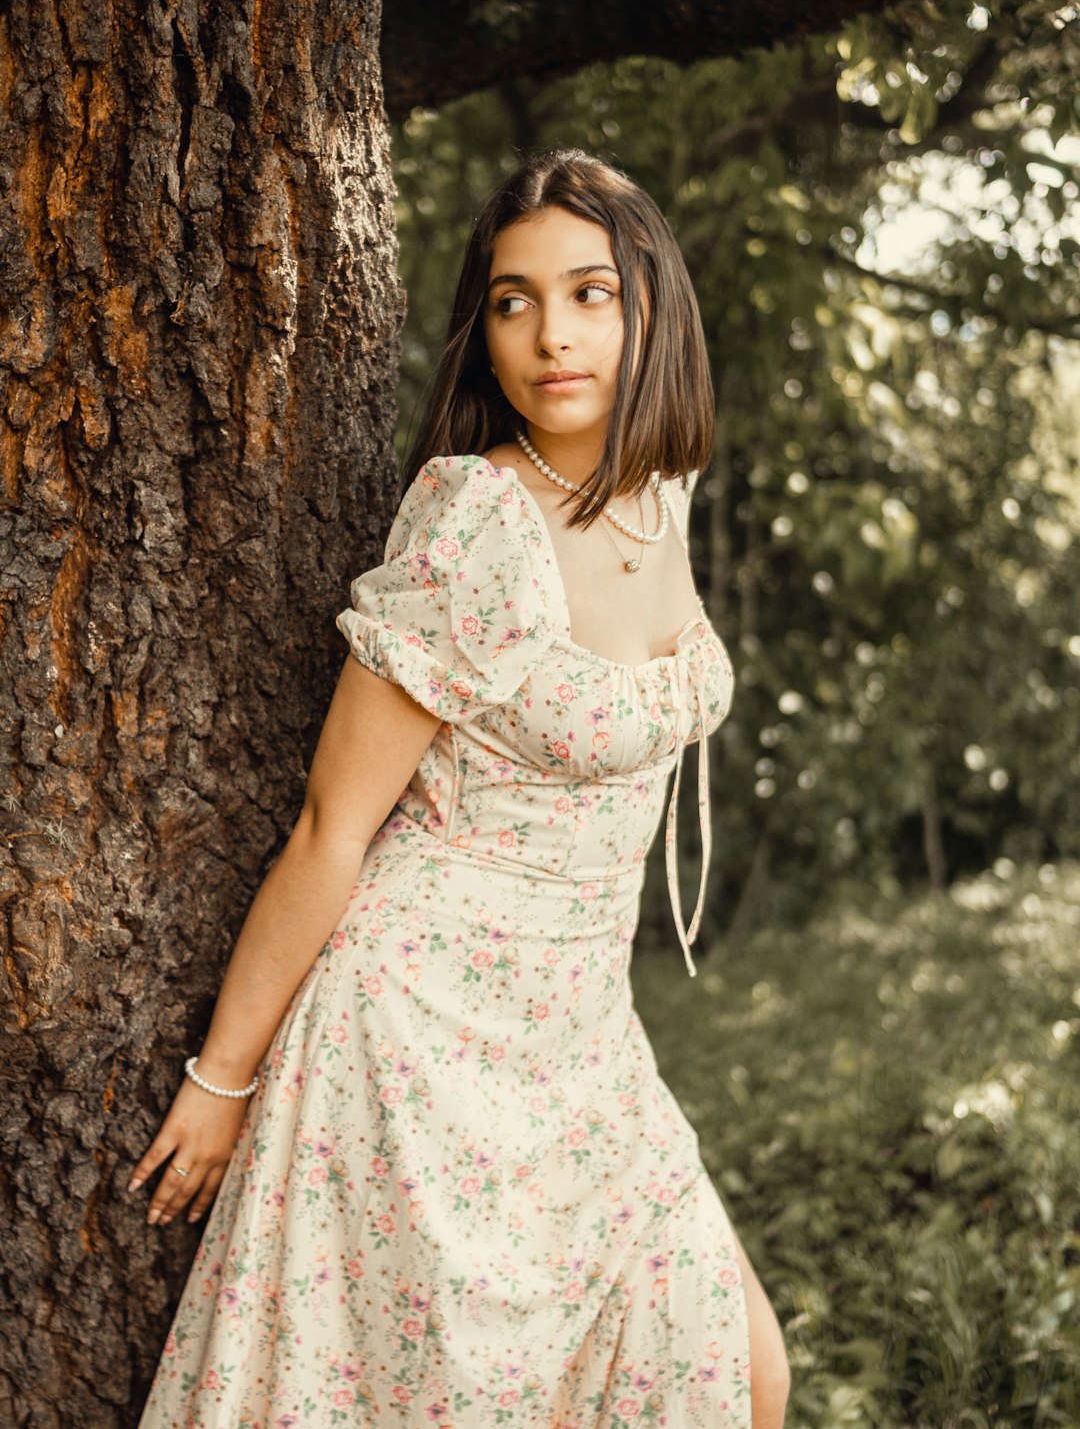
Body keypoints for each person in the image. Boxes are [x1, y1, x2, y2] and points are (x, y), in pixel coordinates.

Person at [131, 147, 790, 1428]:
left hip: (585, 1040)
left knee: (742, 1375)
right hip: (424, 1038)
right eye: (512, 299)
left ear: (652, 304)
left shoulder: (664, 490)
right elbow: (332, 830)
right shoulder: (477, 522)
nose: (552, 333)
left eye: (590, 292)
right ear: (481, 331)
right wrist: (222, 1084)